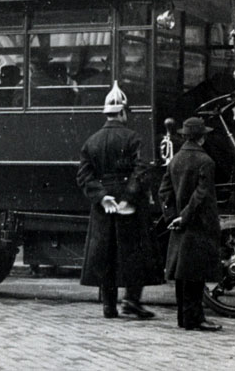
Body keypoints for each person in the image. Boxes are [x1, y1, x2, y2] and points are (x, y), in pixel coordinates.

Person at [77, 82, 162, 319]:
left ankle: (109, 306)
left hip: (104, 206)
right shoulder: (134, 138)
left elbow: (84, 176)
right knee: (134, 254)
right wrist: (128, 198)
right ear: (123, 112)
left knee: (105, 254)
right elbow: (142, 170)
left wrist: (103, 197)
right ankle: (132, 301)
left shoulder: (91, 142)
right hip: (129, 205)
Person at [159, 117, 222, 332]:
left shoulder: (175, 160)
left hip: (180, 225)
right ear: (202, 138)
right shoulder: (206, 161)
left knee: (182, 273)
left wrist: (172, 218)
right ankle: (196, 319)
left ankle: (184, 318)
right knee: (196, 274)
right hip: (199, 224)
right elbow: (202, 195)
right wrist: (185, 216)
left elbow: (164, 192)